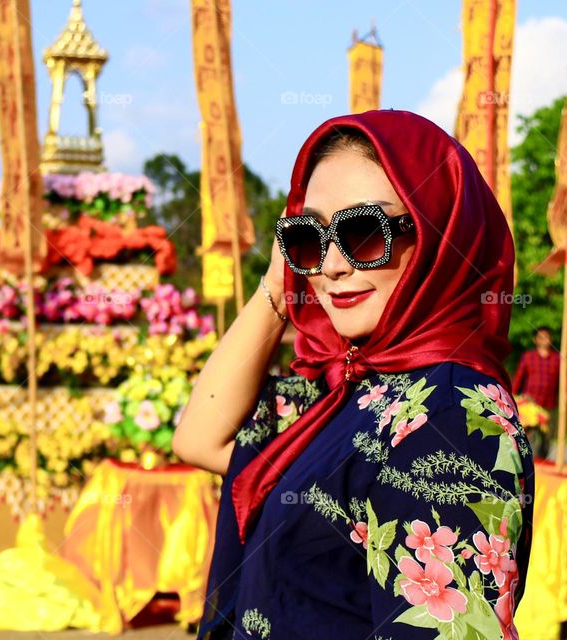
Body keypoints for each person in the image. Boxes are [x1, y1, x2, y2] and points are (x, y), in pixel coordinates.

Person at [174, 111, 533, 639]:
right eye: (308, 237)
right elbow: (199, 438)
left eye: (365, 231)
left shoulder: (451, 415)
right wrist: (278, 285)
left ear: (439, 234)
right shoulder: (348, 389)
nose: (332, 264)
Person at [513, 326, 559, 456]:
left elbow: (563, 382)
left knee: (546, 438)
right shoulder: (528, 357)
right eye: (541, 337)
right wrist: (513, 398)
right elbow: (518, 378)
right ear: (535, 340)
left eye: (547, 337)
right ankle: (527, 465)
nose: (544, 339)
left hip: (549, 404)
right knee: (528, 437)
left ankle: (542, 464)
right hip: (530, 405)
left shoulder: (557, 359)